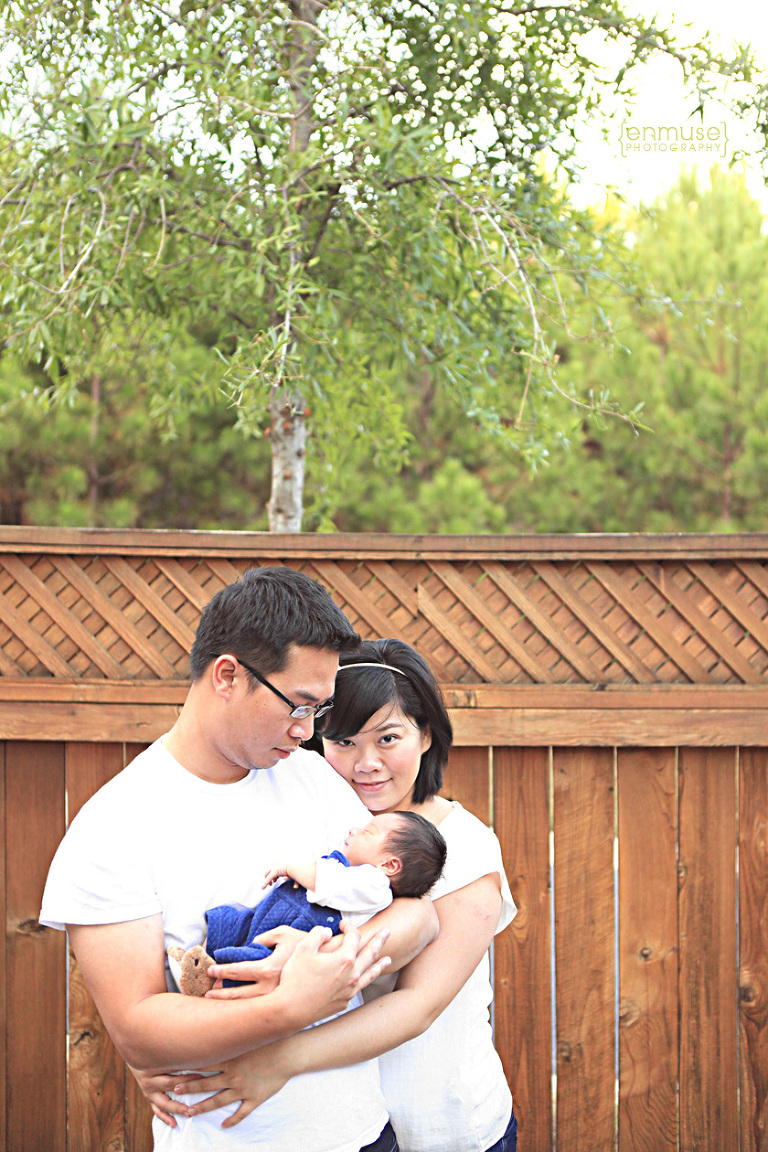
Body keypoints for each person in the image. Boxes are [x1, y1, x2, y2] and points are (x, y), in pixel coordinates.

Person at [39, 570, 439, 1152]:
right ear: (227, 675)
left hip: (363, 1132)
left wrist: (328, 961)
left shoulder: (312, 779)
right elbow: (138, 1030)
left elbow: (417, 916)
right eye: (298, 705)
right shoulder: (113, 827)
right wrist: (292, 1004)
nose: (307, 731)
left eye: (320, 710)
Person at [143, 639, 518, 1152]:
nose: (367, 763)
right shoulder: (323, 824)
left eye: (389, 738)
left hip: (441, 1125)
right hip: (348, 1125)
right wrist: (156, 1057)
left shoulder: (464, 845)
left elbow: (418, 1005)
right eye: (344, 741)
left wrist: (278, 1059)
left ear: (426, 734)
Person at [170, 811, 447, 995]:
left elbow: (330, 883)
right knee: (232, 922)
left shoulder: (376, 885)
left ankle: (212, 986)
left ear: (389, 865)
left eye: (368, 832)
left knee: (255, 959)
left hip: (300, 926)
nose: (354, 830)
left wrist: (291, 868)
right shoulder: (355, 874)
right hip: (277, 913)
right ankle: (200, 963)